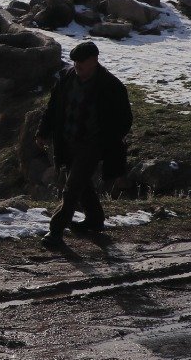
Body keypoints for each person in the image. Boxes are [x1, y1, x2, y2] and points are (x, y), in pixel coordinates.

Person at [37, 40, 133, 249]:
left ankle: (55, 231)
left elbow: (125, 120)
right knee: (81, 184)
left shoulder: (111, 86)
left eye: (81, 62)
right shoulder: (66, 78)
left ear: (94, 60)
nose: (77, 65)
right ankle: (95, 219)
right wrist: (43, 132)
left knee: (71, 188)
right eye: (75, 61)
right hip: (67, 141)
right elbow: (52, 108)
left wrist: (108, 140)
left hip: (92, 145)